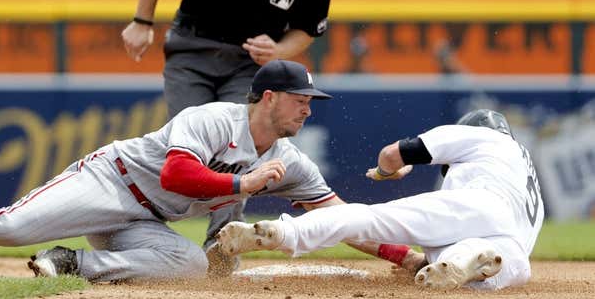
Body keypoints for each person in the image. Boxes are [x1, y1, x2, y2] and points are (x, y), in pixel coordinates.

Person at [0, 60, 419, 282]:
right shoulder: (214, 118)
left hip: (145, 223)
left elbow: (340, 218)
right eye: (300, 101)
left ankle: (74, 263)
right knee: (8, 227)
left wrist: (406, 257)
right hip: (111, 181)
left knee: (191, 266)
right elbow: (176, 176)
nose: (308, 112)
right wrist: (243, 184)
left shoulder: (290, 161)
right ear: (270, 97)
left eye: (310, 104)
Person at [121, 0, 334, 274]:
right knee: (185, 136)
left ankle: (221, 250)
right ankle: (141, 227)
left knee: (243, 144)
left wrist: (279, 51)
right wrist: (142, 19)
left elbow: (307, 31)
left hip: (247, 66)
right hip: (192, 49)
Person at [218, 109, 544, 290]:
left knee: (368, 219)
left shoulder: (479, 134)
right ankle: (465, 258)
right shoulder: (528, 183)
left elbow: (394, 153)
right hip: (512, 244)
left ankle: (282, 233)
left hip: (475, 204)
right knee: (490, 275)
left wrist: (386, 172)